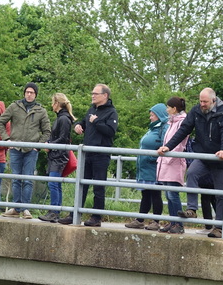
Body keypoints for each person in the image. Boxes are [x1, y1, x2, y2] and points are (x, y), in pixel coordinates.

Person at [157, 88, 223, 238]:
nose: (202, 104)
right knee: (191, 173)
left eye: (205, 101)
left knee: (220, 194)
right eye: (200, 101)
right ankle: (192, 209)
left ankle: (219, 227)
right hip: (203, 154)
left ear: (213, 100)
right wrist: (168, 146)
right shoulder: (196, 111)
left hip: (219, 157)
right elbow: (184, 129)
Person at [58, 84, 119, 227]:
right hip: (87, 154)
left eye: (95, 93)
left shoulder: (111, 112)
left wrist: (96, 121)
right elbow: (85, 122)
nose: (92, 95)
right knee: (81, 185)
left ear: (105, 95)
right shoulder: (92, 109)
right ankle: (74, 215)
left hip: (101, 154)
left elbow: (111, 131)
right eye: (92, 93)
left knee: (98, 187)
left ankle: (96, 217)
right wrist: (79, 126)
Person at [0, 83, 51, 218]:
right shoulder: (14, 107)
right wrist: (6, 140)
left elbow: (47, 131)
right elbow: (0, 122)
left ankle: (26, 208)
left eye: (32, 92)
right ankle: (16, 208)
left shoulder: (41, 111)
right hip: (15, 148)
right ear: (24, 93)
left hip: (31, 150)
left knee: (27, 179)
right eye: (27, 92)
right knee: (16, 179)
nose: (29, 94)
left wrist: (37, 145)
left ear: (35, 94)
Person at [126, 103, 168, 230]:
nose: (150, 117)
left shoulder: (163, 128)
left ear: (160, 115)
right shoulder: (152, 129)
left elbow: (165, 146)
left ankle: (156, 221)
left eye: (152, 115)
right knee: (146, 194)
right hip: (145, 168)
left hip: (153, 167)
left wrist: (152, 158)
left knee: (155, 194)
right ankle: (140, 220)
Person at [40, 93, 74, 222]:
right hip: (57, 155)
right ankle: (55, 211)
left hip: (59, 156)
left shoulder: (63, 119)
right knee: (55, 184)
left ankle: (54, 211)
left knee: (53, 183)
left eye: (52, 102)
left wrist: (50, 145)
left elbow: (63, 139)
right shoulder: (62, 118)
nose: (51, 105)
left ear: (57, 104)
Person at [156, 97, 188, 234]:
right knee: (168, 195)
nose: (167, 110)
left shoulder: (181, 123)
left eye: (168, 107)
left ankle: (178, 224)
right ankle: (173, 222)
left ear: (174, 109)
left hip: (174, 162)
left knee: (173, 194)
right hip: (167, 162)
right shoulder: (172, 122)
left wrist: (168, 157)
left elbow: (179, 144)